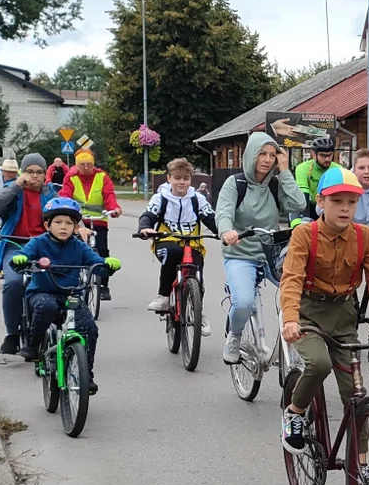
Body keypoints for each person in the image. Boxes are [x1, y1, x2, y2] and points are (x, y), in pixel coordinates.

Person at [279, 168, 369, 485]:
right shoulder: (304, 235)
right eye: (337, 201)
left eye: (352, 201)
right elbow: (292, 278)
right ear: (321, 201)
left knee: (356, 395)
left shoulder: (365, 237)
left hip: (343, 317)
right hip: (308, 314)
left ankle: (362, 466)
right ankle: (295, 412)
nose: (345, 208)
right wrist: (290, 318)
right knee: (319, 363)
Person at [10, 198, 121, 394]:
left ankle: (87, 374)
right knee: (46, 307)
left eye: (69, 223)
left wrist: (107, 264)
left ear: (76, 227)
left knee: (89, 328)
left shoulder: (79, 246)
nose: (64, 227)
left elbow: (96, 264)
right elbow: (23, 256)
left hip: (70, 294)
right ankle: (33, 346)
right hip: (42, 292)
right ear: (47, 225)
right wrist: (21, 259)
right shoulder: (38, 242)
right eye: (58, 222)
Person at [0, 154, 90, 355]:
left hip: (45, 246)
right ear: (22, 173)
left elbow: (69, 212)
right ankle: (12, 335)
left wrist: (82, 227)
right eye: (30, 171)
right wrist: (16, 185)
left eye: (39, 172)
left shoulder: (52, 194)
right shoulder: (13, 190)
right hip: (16, 245)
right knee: (13, 283)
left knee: (61, 281)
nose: (34, 176)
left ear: (45, 174)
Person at [215, 131, 306, 364]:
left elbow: (298, 203)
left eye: (272, 155)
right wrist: (227, 232)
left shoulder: (275, 185)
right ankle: (234, 335)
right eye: (262, 154)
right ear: (251, 155)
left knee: (300, 290)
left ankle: (294, 338)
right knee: (243, 302)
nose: (267, 160)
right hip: (241, 253)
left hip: (271, 252)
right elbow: (223, 212)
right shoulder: (235, 184)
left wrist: (285, 171)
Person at [139, 157, 218, 336]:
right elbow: (148, 215)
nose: (181, 182)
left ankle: (197, 312)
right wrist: (145, 228)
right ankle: (164, 297)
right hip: (167, 241)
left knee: (197, 276)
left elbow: (211, 219)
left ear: (190, 180)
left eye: (185, 178)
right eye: (177, 178)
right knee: (173, 253)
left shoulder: (197, 199)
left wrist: (224, 232)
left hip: (193, 242)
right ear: (169, 178)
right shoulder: (161, 198)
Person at [59, 148, 123, 301]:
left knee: (102, 251)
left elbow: (108, 194)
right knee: (71, 249)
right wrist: (65, 209)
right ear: (77, 165)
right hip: (77, 220)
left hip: (98, 220)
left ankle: (103, 286)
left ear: (93, 164)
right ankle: (69, 281)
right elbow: (65, 195)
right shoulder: (71, 177)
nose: (86, 167)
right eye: (82, 164)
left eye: (89, 164)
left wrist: (114, 208)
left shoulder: (102, 176)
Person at [294, 137, 341, 214]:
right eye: (323, 155)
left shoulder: (338, 169)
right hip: (308, 205)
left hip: (328, 207)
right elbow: (303, 195)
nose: (327, 159)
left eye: (330, 155)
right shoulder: (302, 168)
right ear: (314, 154)